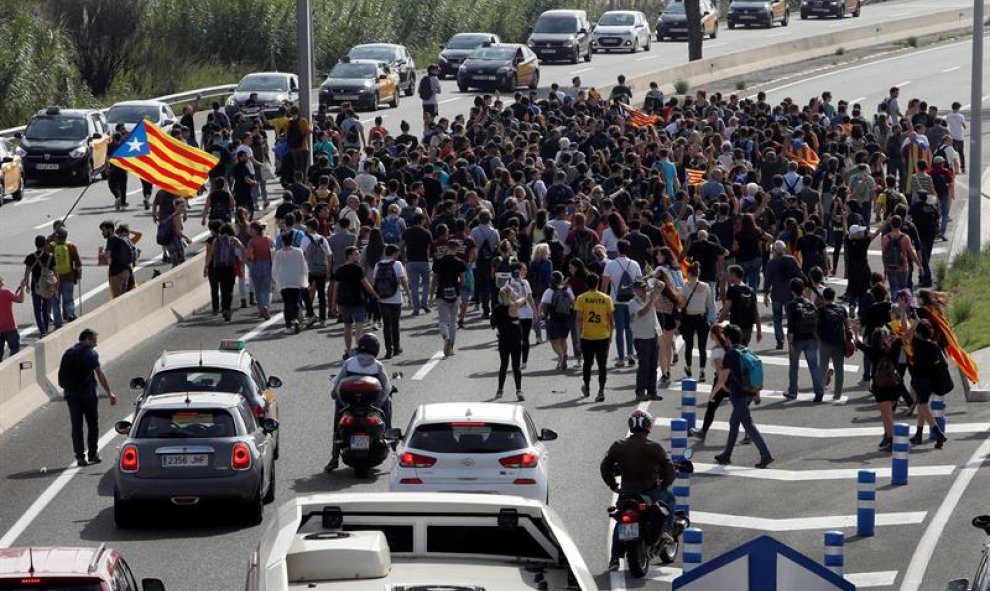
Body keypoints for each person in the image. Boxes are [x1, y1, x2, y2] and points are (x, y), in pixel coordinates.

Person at [599, 409, 676, 572]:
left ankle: (614, 558)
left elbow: (605, 466)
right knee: (669, 499)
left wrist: (612, 485)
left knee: (621, 520)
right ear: (648, 426)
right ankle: (666, 533)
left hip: (626, 494)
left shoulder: (618, 446)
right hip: (649, 493)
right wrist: (664, 484)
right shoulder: (654, 447)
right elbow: (669, 469)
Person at [325, 333, 394, 472]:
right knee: (388, 403)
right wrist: (379, 403)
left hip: (349, 404)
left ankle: (334, 458)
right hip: (372, 405)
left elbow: (337, 383)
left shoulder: (349, 363)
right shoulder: (377, 365)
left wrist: (339, 399)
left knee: (338, 423)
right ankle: (391, 442)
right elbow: (387, 387)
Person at [712, 324, 773, 469]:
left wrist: (713, 393)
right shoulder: (747, 350)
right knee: (734, 422)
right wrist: (757, 394)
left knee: (748, 424)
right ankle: (726, 455)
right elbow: (753, 371)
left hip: (739, 394)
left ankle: (766, 454)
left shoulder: (731, 354)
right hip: (750, 392)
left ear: (727, 338)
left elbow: (723, 377)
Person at [57, 328, 117, 467]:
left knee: (76, 426)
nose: (96, 344)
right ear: (87, 339)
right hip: (88, 395)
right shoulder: (91, 353)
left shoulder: (68, 353)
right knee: (92, 424)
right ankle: (92, 454)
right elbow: (100, 374)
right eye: (95, 340)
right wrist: (109, 393)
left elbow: (61, 377)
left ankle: (79, 456)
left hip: (71, 395)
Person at [906, 319, 948, 448]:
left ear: (918, 333)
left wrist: (913, 320)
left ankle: (937, 432)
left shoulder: (917, 343)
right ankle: (918, 434)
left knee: (923, 405)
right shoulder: (934, 345)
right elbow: (944, 362)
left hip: (920, 380)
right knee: (921, 405)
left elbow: (907, 333)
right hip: (932, 380)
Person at [601, 239, 643, 368]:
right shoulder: (634, 264)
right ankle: (630, 354)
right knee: (630, 329)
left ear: (618, 249)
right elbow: (639, 282)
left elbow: (604, 285)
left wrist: (604, 302)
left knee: (619, 330)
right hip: (631, 300)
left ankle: (620, 358)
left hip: (616, 300)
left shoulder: (610, 264)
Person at [574, 273, 614, 402]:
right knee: (602, 365)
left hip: (587, 336)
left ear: (587, 284)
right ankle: (601, 390)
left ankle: (586, 387)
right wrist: (611, 335)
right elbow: (611, 321)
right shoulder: (606, 298)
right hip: (603, 335)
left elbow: (579, 319)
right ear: (597, 284)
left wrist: (578, 336)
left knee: (587, 363)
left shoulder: (581, 298)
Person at [784, 277, 826, 401]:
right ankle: (819, 390)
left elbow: (791, 326)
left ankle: (793, 391)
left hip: (797, 339)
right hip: (812, 338)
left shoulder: (791, 305)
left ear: (792, 290)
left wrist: (790, 343)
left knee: (794, 366)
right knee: (814, 366)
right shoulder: (810, 303)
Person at [332, 246, 377, 357]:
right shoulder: (358, 269)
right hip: (358, 301)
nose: (358, 256)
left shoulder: (340, 270)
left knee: (347, 327)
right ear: (350, 256)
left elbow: (336, 288)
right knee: (359, 327)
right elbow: (366, 285)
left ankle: (348, 350)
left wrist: (334, 304)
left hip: (345, 302)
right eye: (356, 254)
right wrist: (375, 294)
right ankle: (358, 349)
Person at [678, 262, 715, 382]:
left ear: (689, 273)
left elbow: (682, 304)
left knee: (689, 345)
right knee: (702, 346)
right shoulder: (706, 286)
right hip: (702, 318)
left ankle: (688, 368)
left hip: (689, 318)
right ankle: (702, 371)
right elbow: (710, 304)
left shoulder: (685, 286)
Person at [764, 240, 803, 349]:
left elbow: (767, 279)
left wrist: (766, 293)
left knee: (777, 318)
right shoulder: (792, 260)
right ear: (784, 249)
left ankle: (779, 340)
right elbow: (799, 274)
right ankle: (792, 338)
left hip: (776, 293)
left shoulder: (771, 262)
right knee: (791, 317)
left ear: (775, 251)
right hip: (790, 293)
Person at [372, 244, 409, 359]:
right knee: (395, 324)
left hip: (383, 299)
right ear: (394, 253)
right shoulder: (397, 264)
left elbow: (374, 281)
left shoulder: (378, 265)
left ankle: (389, 349)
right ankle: (397, 348)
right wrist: (408, 294)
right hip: (396, 298)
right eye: (397, 253)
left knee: (386, 325)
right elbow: (403, 280)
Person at [431, 240, 467, 358]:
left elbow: (434, 280)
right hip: (455, 293)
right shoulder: (459, 262)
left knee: (443, 320)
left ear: (447, 247)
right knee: (453, 321)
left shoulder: (438, 262)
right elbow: (462, 281)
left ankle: (445, 338)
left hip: (441, 293)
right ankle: (450, 346)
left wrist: (431, 296)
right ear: (456, 249)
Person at [628, 279, 662, 401]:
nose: (644, 290)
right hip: (642, 338)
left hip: (653, 335)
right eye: (641, 288)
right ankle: (640, 392)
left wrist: (655, 280)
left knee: (653, 365)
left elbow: (661, 286)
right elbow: (642, 313)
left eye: (644, 287)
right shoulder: (633, 303)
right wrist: (651, 300)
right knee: (644, 366)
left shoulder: (648, 297)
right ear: (635, 290)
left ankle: (652, 391)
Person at [493, 282, 527, 401]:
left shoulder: (497, 308)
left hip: (503, 340)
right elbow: (525, 297)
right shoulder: (514, 306)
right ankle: (519, 391)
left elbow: (493, 325)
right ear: (510, 295)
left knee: (503, 365)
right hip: (516, 340)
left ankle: (500, 390)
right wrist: (519, 290)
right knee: (516, 366)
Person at [272, 230, 308, 334]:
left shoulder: (278, 254)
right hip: (296, 281)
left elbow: (274, 269)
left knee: (287, 303)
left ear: (282, 242)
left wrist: (275, 281)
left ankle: (289, 326)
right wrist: (304, 280)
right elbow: (303, 267)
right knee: (295, 302)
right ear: (292, 241)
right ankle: (295, 319)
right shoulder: (298, 251)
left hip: (284, 282)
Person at [818, 287, 850, 401]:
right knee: (839, 369)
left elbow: (817, 327)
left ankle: (820, 391)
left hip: (824, 342)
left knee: (822, 368)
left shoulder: (821, 310)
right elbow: (847, 326)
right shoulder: (841, 309)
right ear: (834, 296)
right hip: (838, 343)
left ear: (824, 297)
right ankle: (837, 394)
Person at [719, 265, 761, 347]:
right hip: (748, 327)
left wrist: (718, 322)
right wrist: (759, 331)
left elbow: (726, 310)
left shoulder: (732, 290)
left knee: (735, 352)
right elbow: (756, 312)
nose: (728, 277)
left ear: (734, 275)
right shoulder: (750, 290)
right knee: (744, 350)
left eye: (729, 274)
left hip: (736, 328)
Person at [22, 235, 56, 336]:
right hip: (47, 286)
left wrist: (27, 284)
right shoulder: (50, 256)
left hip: (35, 286)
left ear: (35, 244)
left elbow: (27, 272)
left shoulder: (30, 257)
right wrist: (56, 286)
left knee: (37, 310)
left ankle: (42, 331)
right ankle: (45, 328)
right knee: (46, 308)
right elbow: (55, 272)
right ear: (45, 244)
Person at [541, 271, 574, 371]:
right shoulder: (567, 290)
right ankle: (564, 355)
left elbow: (542, 304)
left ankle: (561, 357)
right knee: (563, 339)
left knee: (554, 341)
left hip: (554, 319)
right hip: (566, 318)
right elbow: (574, 302)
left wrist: (540, 314)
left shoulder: (549, 291)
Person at [50, 228, 82, 327]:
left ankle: (58, 323)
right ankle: (70, 314)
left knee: (55, 301)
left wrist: (50, 238)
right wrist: (79, 275)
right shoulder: (71, 246)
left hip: (54, 279)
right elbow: (78, 263)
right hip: (69, 277)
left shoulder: (51, 247)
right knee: (68, 299)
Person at [245, 221, 274, 319]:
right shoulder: (268, 239)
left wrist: (249, 259)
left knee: (258, 289)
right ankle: (266, 305)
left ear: (256, 230)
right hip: (267, 265)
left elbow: (249, 255)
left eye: (251, 229)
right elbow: (274, 250)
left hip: (256, 265)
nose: (250, 231)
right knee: (267, 289)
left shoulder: (252, 241)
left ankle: (261, 309)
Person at [100, 221, 136, 299]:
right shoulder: (121, 238)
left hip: (117, 273)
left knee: (118, 297)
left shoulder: (111, 238)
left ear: (110, 230)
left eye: (103, 230)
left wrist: (103, 253)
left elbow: (107, 256)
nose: (102, 233)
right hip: (126, 270)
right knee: (126, 295)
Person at [0, 275, 26, 359]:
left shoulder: (6, 293)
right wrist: (22, 288)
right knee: (15, 352)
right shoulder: (6, 293)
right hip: (10, 328)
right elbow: (20, 300)